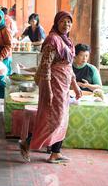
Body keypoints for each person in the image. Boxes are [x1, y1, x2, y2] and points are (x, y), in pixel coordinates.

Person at [19, 11, 82, 164]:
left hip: (65, 84)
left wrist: (75, 86)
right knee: (54, 118)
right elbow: (46, 67)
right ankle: (27, 143)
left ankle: (55, 152)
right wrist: (47, 89)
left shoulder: (66, 40)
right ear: (56, 22)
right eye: (63, 22)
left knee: (62, 118)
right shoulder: (52, 40)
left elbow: (69, 67)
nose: (66, 25)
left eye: (69, 22)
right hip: (54, 83)